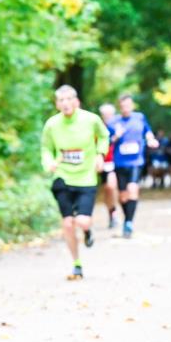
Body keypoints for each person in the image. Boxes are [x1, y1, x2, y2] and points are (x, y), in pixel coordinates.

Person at [41, 86, 109, 280]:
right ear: (57, 104)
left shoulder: (91, 119)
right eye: (61, 100)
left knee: (82, 221)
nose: (65, 103)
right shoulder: (52, 124)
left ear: (76, 101)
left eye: (69, 99)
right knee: (68, 223)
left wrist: (100, 154)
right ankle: (76, 264)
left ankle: (87, 231)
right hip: (62, 177)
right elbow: (46, 148)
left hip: (86, 177)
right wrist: (49, 163)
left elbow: (104, 136)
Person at [107, 93, 159, 238]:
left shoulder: (140, 117)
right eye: (123, 106)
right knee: (123, 196)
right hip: (120, 162)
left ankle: (129, 222)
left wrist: (151, 140)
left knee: (133, 189)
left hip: (136, 161)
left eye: (128, 105)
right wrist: (116, 136)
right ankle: (126, 219)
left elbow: (147, 132)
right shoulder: (113, 122)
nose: (126, 108)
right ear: (119, 106)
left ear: (132, 105)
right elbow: (107, 142)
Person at [97, 103, 120, 228]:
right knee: (108, 188)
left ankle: (115, 212)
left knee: (112, 187)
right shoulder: (100, 128)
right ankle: (112, 213)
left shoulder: (119, 125)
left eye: (110, 114)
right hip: (105, 162)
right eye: (105, 115)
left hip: (119, 162)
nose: (108, 117)